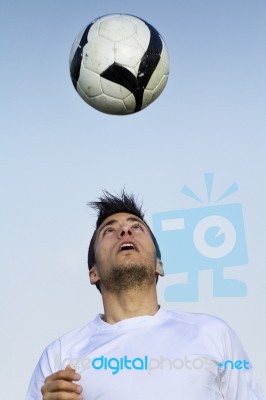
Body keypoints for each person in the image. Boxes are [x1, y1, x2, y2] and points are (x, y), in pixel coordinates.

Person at [26, 190, 265, 400]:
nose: (125, 230)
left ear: (158, 266)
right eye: (109, 230)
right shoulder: (60, 355)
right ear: (93, 272)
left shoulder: (214, 333)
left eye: (136, 227)